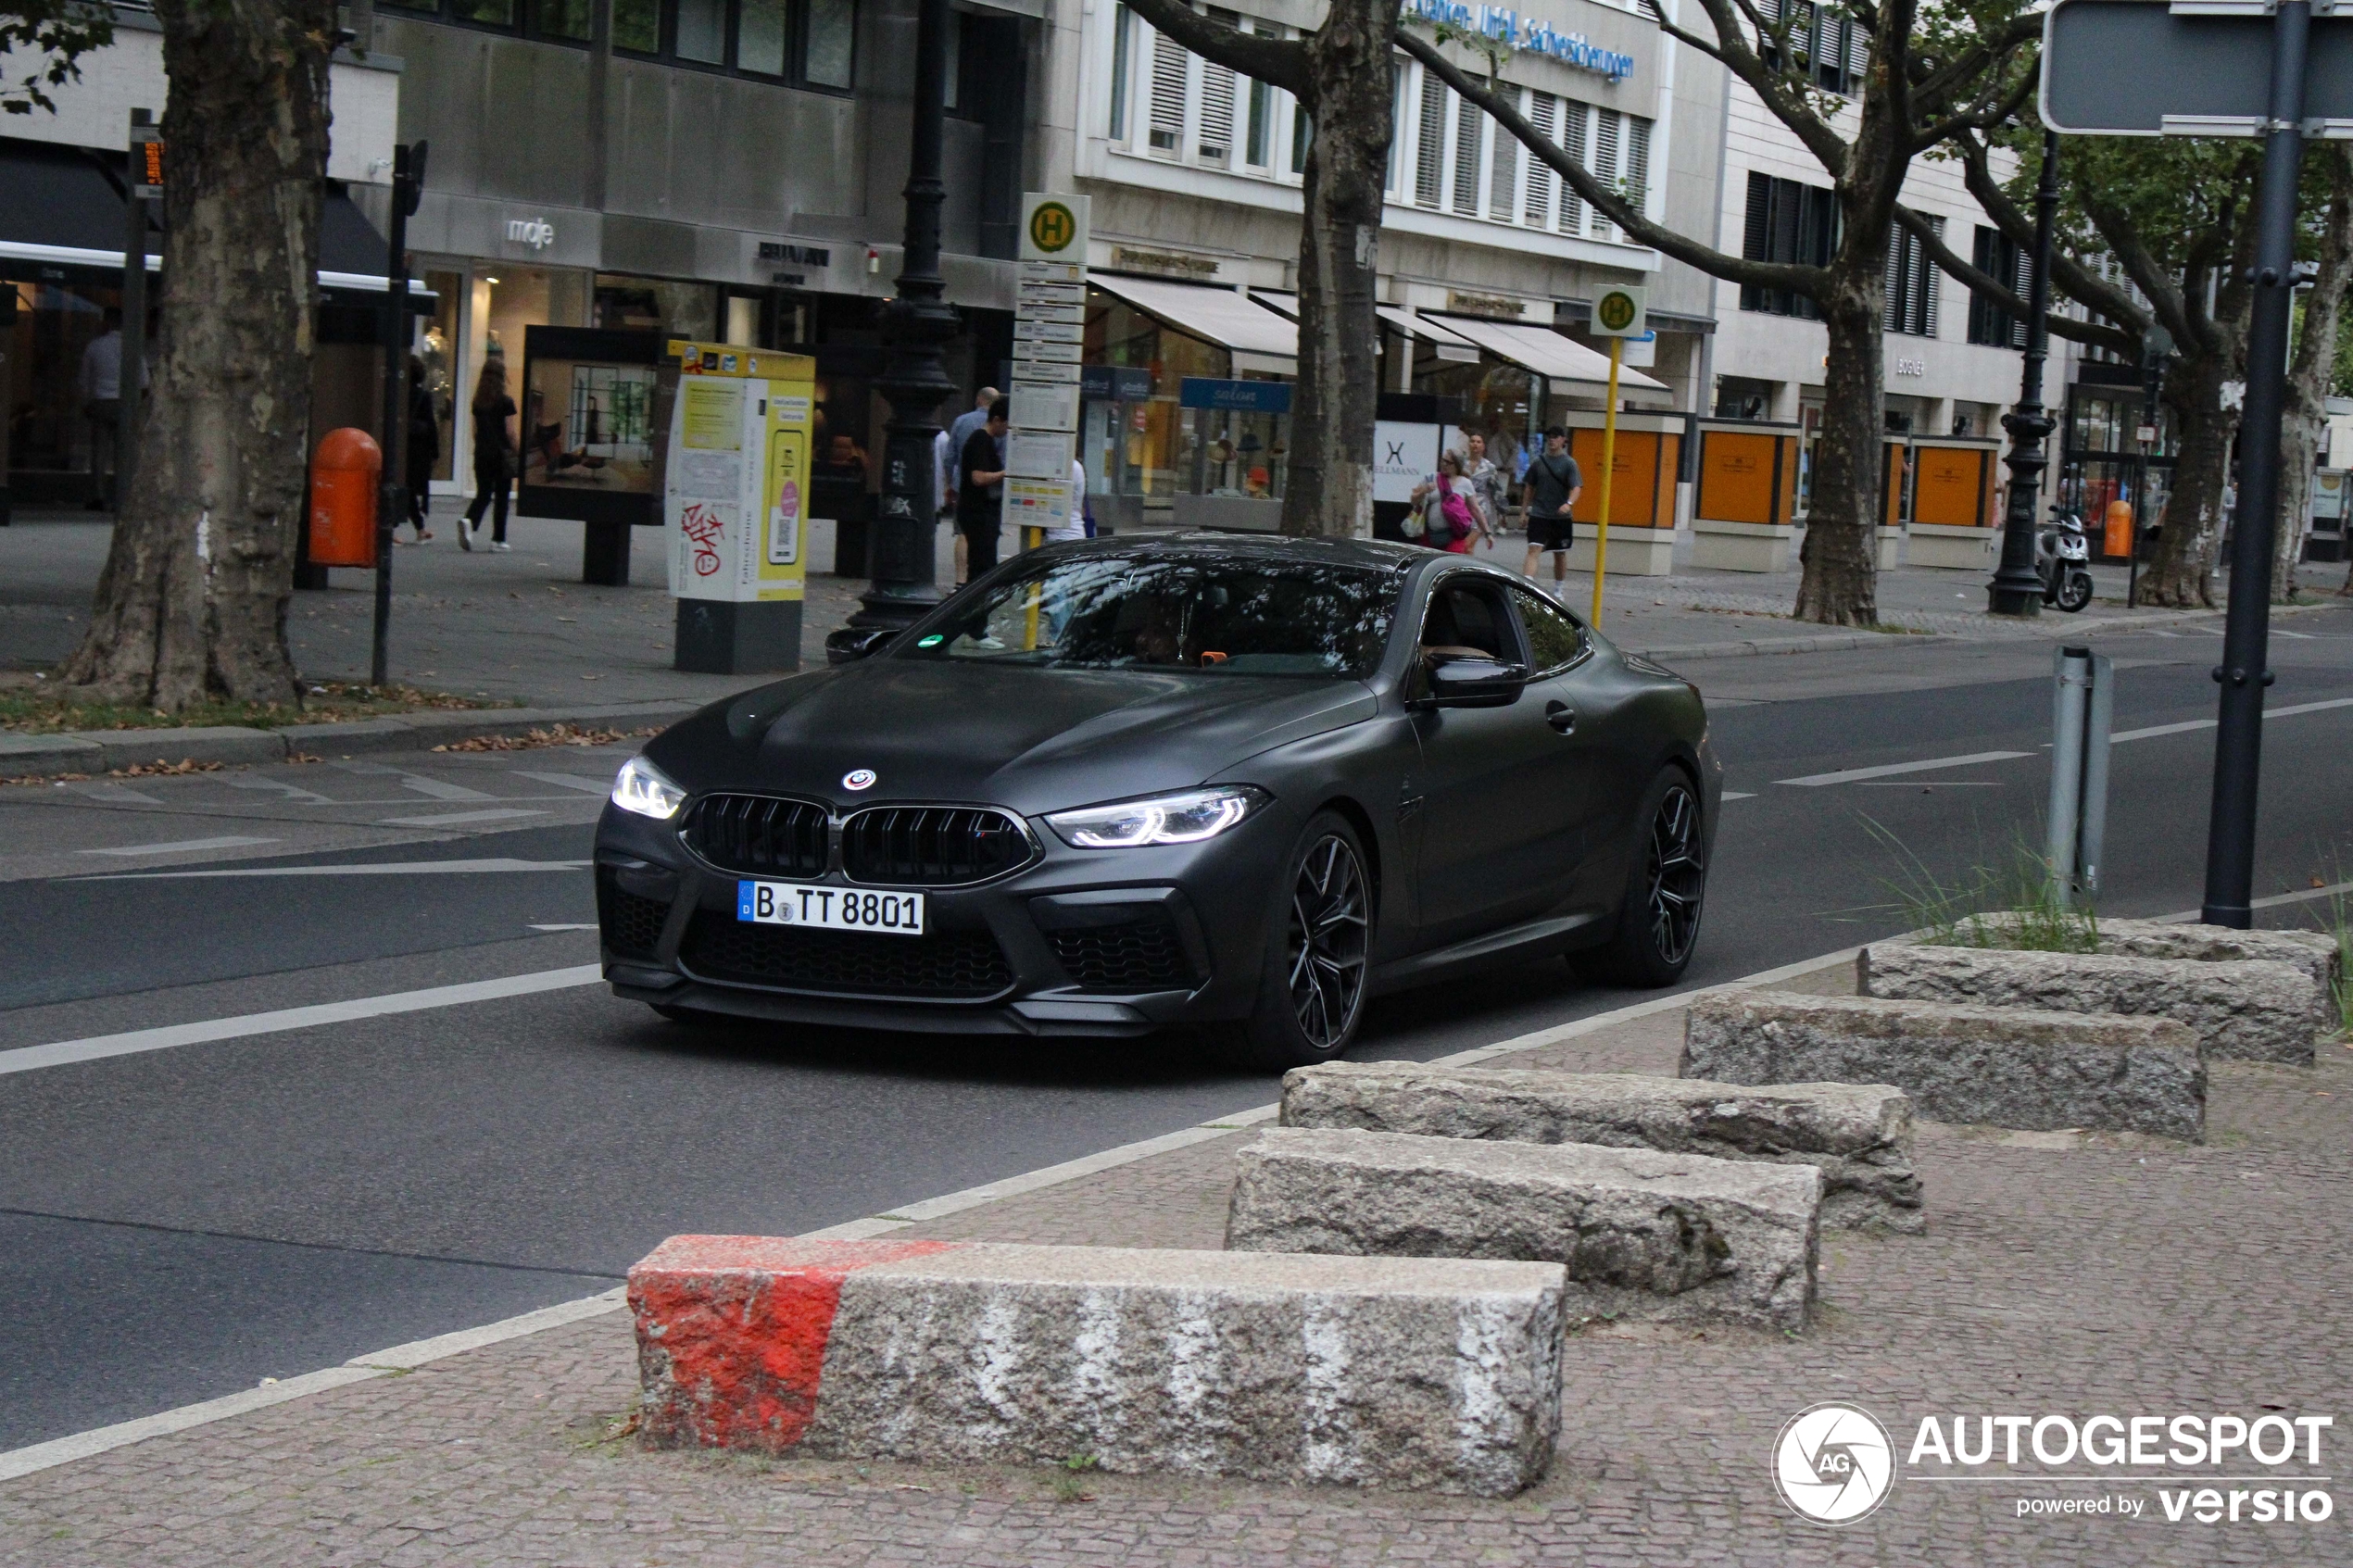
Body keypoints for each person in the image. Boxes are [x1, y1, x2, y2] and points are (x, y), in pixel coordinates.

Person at [461, 356, 517, 552]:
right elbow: (510, 432)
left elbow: (475, 432)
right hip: (501, 457)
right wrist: (516, 450)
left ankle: (469, 522)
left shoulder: (477, 402)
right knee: (502, 497)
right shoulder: (506, 402)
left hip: (482, 454)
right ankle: (498, 540)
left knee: (484, 494)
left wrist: (483, 446)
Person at [945, 386, 999, 586]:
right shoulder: (998, 428)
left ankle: (960, 580)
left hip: (962, 486)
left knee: (962, 533)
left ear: (978, 399)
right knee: (985, 536)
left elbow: (949, 457)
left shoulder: (962, 421)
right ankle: (981, 580)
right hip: (990, 490)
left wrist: (950, 482)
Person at [956, 397, 1010, 581]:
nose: (1006, 431)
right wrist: (1003, 474)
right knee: (982, 566)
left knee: (982, 564)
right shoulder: (981, 440)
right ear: (996, 420)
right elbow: (978, 477)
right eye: (1006, 425)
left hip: (980, 513)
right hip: (979, 513)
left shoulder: (984, 440)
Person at [1521, 426, 1583, 585]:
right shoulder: (1538, 462)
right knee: (1533, 549)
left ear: (1563, 440)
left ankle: (1559, 588)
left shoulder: (1569, 463)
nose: (1552, 440)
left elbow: (1576, 487)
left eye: (1556, 437)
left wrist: (1568, 504)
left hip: (1561, 517)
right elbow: (1529, 488)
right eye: (1549, 437)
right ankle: (1527, 585)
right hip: (1539, 514)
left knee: (1560, 553)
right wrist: (1523, 512)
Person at [80, 308, 125, 510]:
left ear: (106, 322)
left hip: (100, 402)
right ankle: (121, 496)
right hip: (123, 403)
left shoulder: (95, 346)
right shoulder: (131, 346)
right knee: (122, 452)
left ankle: (98, 495)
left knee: (99, 452)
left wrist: (87, 403)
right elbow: (144, 379)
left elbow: (84, 380)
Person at [403, 356, 437, 543]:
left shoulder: (398, 394)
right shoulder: (424, 396)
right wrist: (435, 450)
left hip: (402, 447)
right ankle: (420, 527)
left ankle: (419, 527)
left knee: (404, 487)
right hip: (419, 448)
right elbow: (431, 424)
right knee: (411, 489)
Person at [1461, 433, 1504, 550]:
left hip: (1481, 509)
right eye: (1472, 441)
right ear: (1468, 444)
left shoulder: (1489, 467)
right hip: (1461, 509)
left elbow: (1497, 491)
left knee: (1467, 545)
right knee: (1466, 548)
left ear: (1483, 446)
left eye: (1478, 442)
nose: (1475, 444)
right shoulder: (1460, 464)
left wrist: (1502, 512)